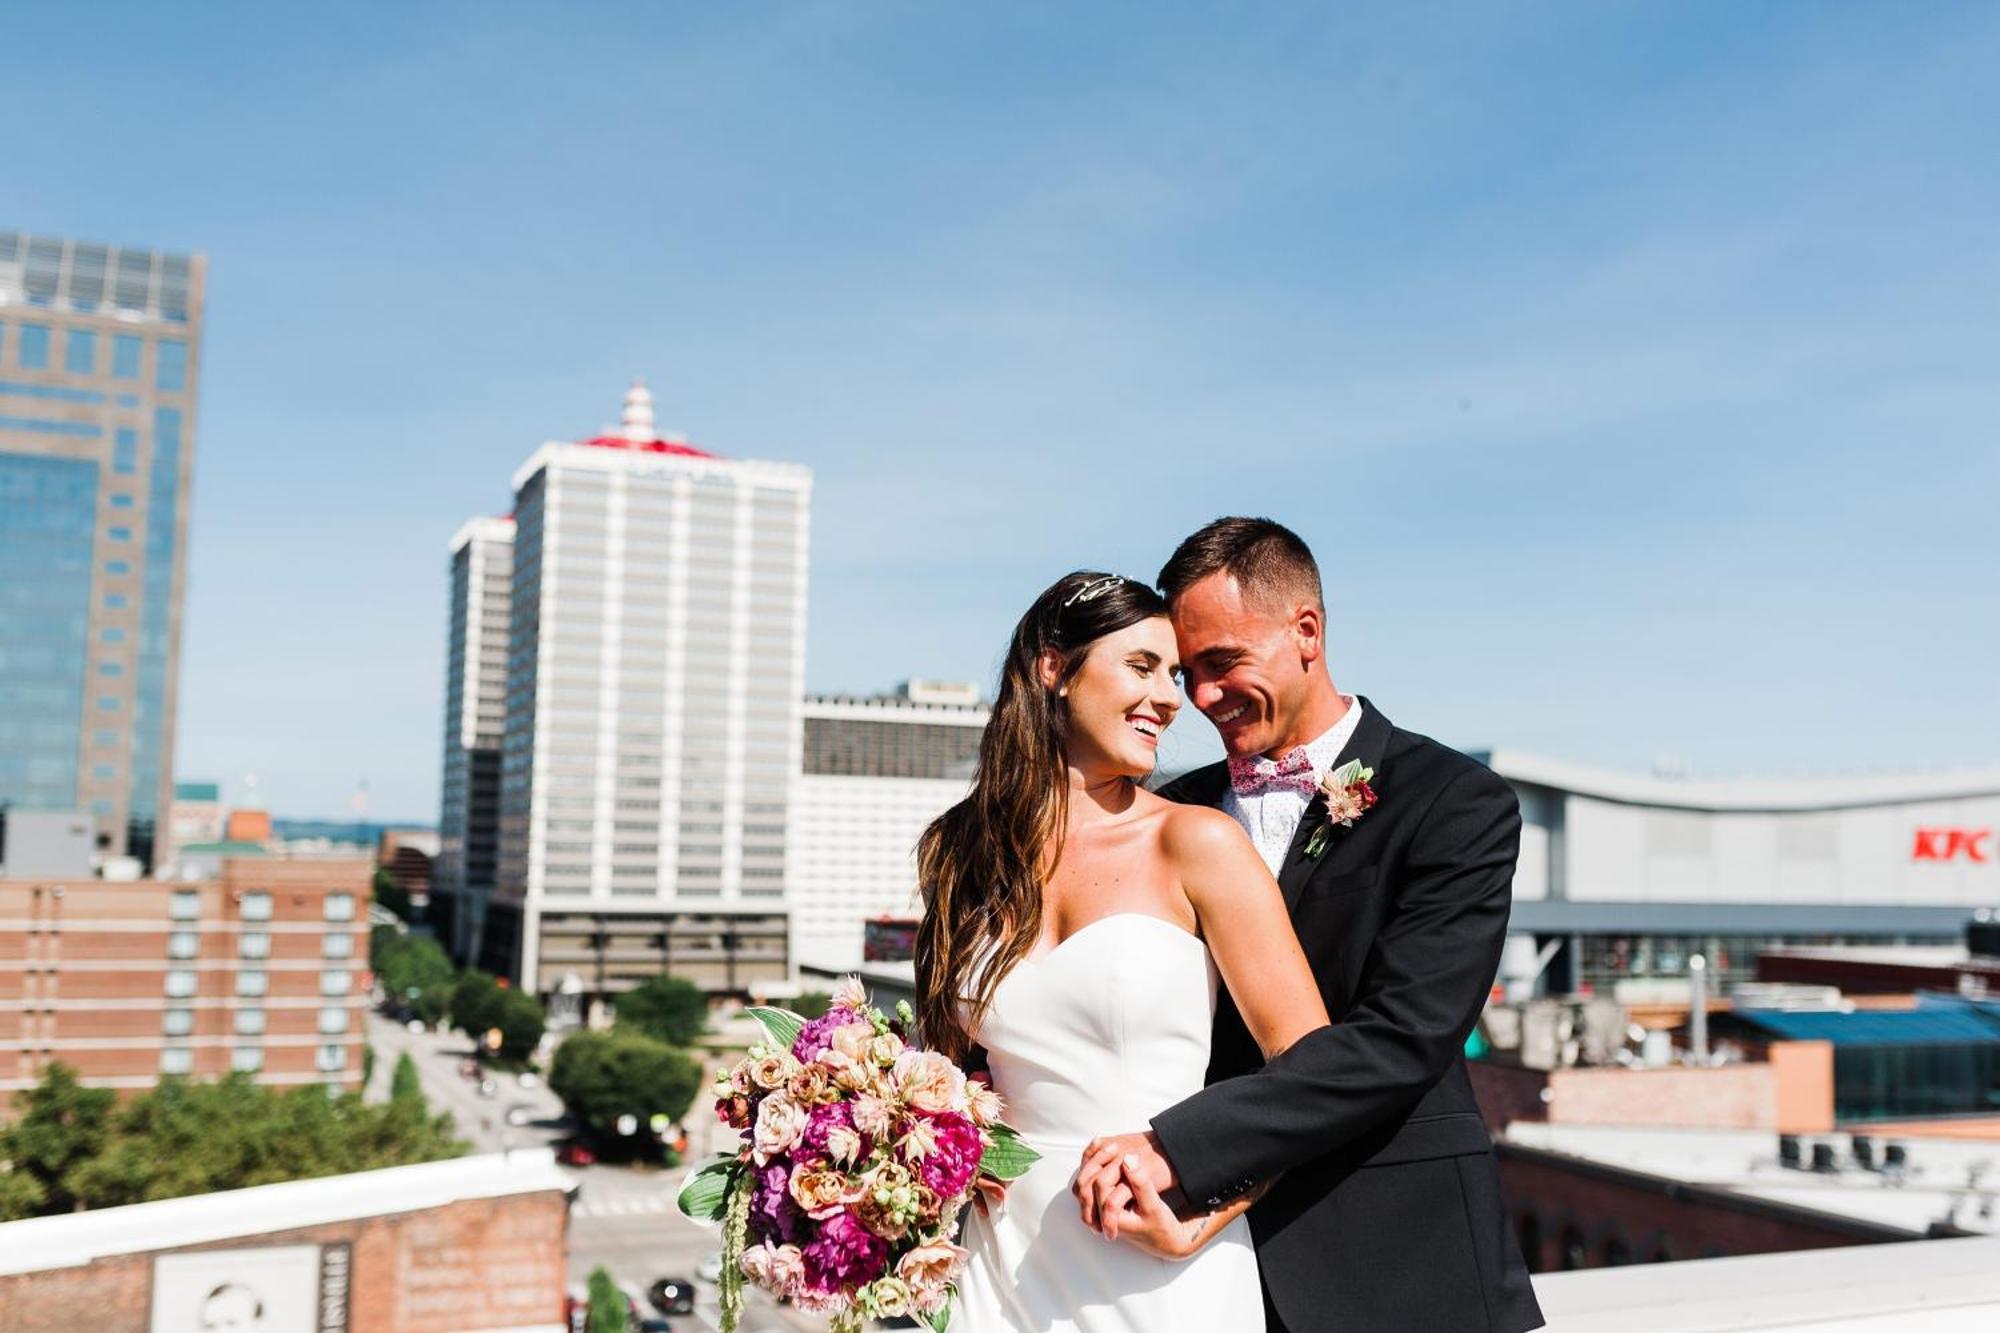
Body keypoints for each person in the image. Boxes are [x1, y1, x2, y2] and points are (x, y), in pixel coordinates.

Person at [1071, 517, 1544, 1332]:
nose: (1203, 698)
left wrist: (1183, 1147)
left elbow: (1404, 1036)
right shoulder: (1171, 810)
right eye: (1187, 676)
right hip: (1181, 1272)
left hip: (1395, 1263)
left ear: (1308, 632)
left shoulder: (1455, 802)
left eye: (1222, 664)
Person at [918, 569, 1331, 1333]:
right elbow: (939, 1069)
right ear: (1053, 667)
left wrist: (1205, 1212)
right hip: (993, 1264)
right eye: (1141, 666)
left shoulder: (1196, 840)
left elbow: (1312, 1077)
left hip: (1158, 1256)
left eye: (1173, 674)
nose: (1173, 698)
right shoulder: (958, 850)